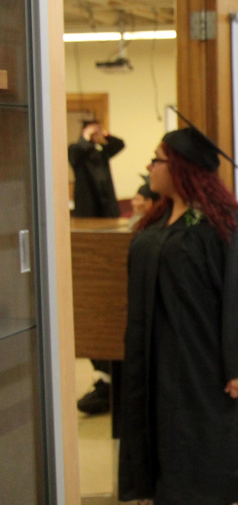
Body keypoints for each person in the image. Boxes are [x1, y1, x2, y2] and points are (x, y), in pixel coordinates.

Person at [118, 115, 238, 505]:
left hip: (204, 366)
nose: (150, 168)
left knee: (206, 454)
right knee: (163, 441)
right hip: (157, 360)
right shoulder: (158, 221)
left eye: (156, 160)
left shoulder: (229, 227)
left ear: (180, 167)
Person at [70, 119, 126, 415]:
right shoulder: (77, 151)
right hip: (87, 213)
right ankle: (104, 383)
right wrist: (84, 137)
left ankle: (109, 383)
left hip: (109, 212)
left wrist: (105, 135)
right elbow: (74, 154)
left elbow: (119, 145)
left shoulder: (102, 153)